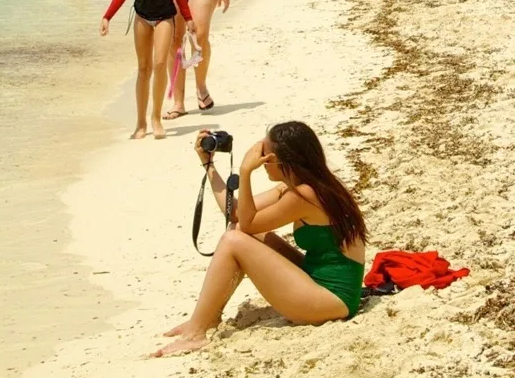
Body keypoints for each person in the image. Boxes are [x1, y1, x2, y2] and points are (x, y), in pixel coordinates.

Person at [157, 121, 367, 357]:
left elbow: (247, 223)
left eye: (264, 156)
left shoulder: (305, 195)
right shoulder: (303, 186)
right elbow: (236, 214)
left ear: (280, 160)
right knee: (238, 232)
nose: (261, 161)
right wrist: (209, 165)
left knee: (233, 240)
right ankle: (208, 317)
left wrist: (246, 172)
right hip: (320, 280)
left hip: (333, 299)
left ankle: (196, 333)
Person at [102, 0, 194, 140]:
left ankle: (156, 118)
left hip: (164, 16)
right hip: (142, 16)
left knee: (160, 62)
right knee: (144, 68)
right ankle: (141, 122)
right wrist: (107, 16)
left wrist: (188, 16)